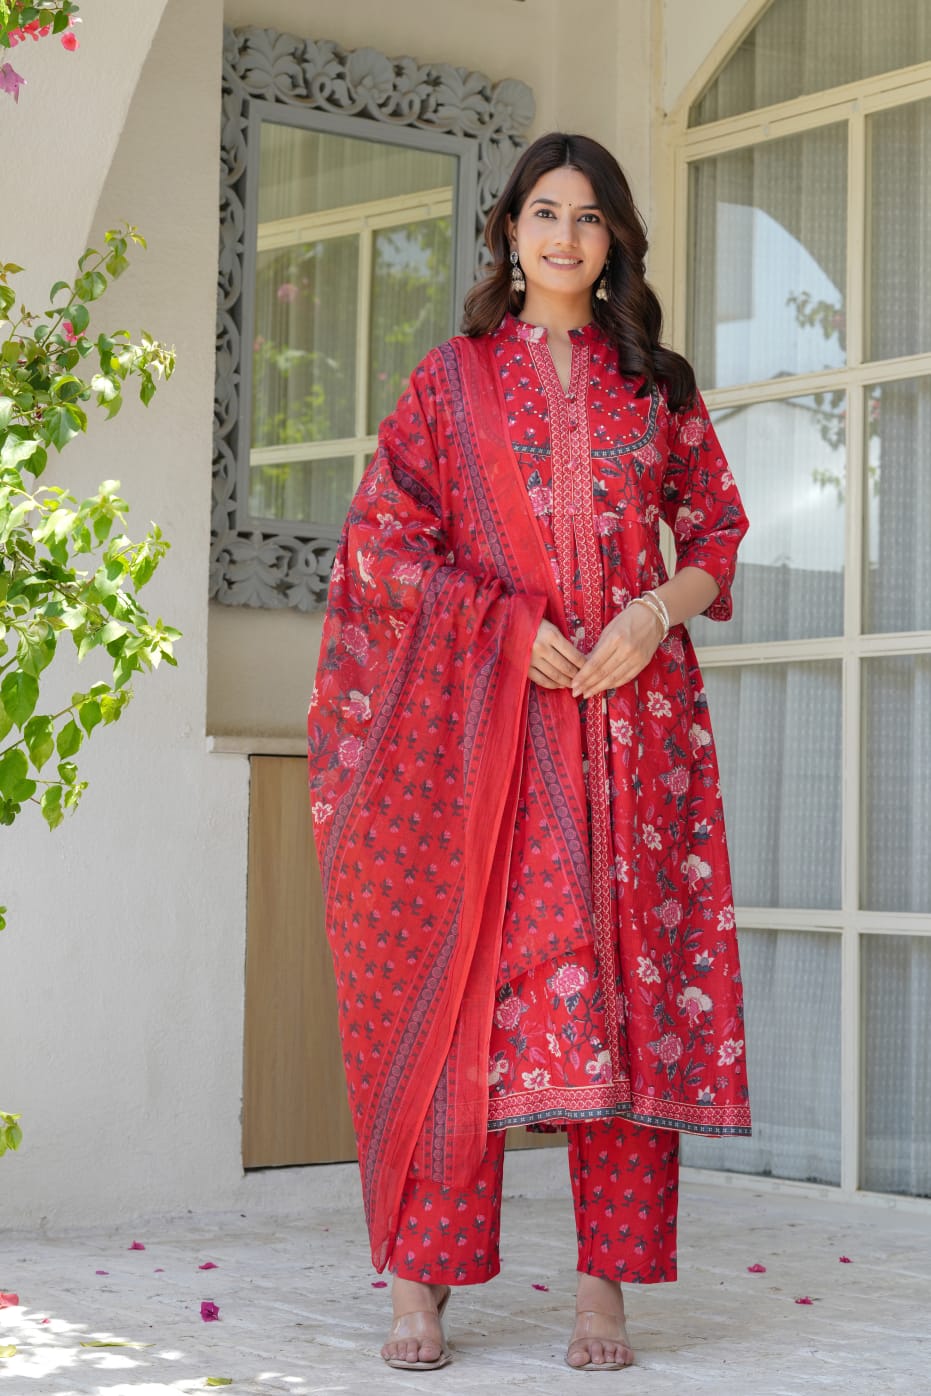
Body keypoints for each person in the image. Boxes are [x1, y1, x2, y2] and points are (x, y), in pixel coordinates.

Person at [308, 131, 750, 1374]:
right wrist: (504, 629)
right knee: (470, 1002)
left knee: (624, 998)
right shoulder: (448, 385)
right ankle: (421, 1282)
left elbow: (716, 530)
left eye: (588, 216)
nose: (565, 236)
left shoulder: (655, 385)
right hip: (491, 742)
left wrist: (652, 612)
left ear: (615, 242)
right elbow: (381, 550)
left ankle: (603, 1295)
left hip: (636, 737)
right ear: (509, 230)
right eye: (544, 213)